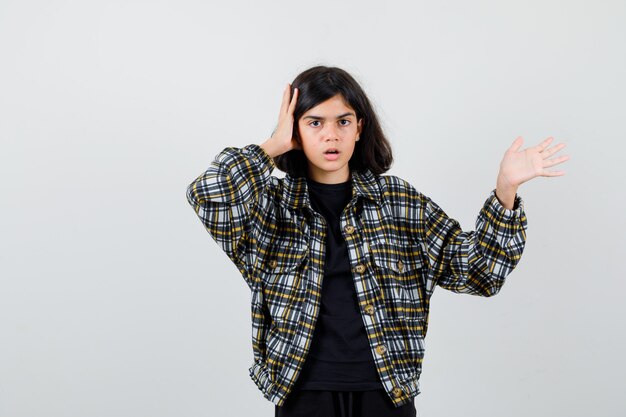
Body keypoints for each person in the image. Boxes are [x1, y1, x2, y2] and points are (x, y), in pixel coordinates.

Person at [185, 65, 569, 417]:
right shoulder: (270, 207)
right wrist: (273, 145)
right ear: (295, 130)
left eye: (343, 121)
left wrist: (505, 190)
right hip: (302, 395)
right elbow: (208, 194)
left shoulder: (398, 202)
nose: (331, 134)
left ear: (359, 127)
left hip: (386, 394)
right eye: (314, 122)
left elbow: (480, 272)